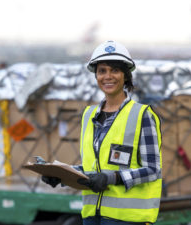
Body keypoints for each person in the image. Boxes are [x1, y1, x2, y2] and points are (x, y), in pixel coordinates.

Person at [42, 40, 162, 225]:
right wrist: (60, 174)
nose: (108, 76)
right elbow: (93, 170)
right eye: (102, 71)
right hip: (92, 217)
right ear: (96, 75)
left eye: (115, 70)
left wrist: (112, 178)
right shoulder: (89, 115)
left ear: (125, 75)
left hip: (128, 220)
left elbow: (153, 170)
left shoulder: (142, 115)